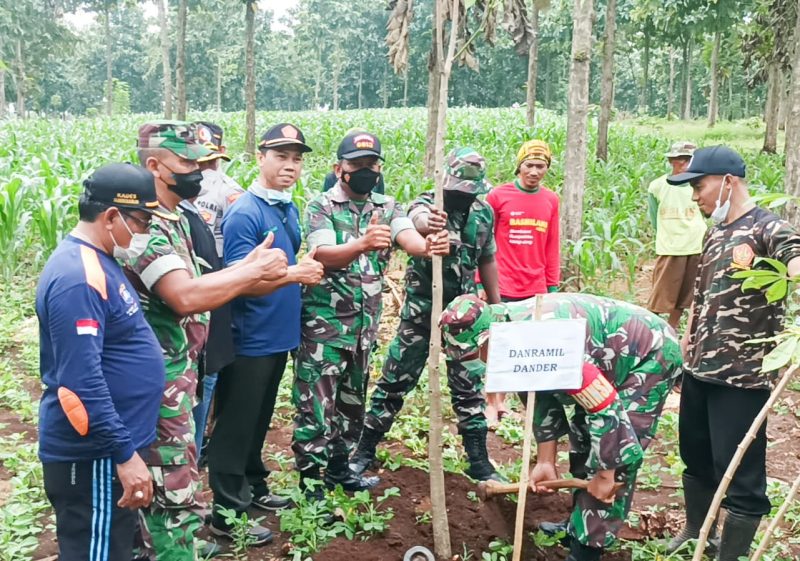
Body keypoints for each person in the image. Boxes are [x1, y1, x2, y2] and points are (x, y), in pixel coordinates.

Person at [127, 120, 299, 559]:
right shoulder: (144, 227)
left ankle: (181, 538)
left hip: (184, 367)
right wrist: (252, 271)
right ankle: (169, 546)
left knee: (180, 466)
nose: (198, 173)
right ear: (154, 165)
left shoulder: (178, 218)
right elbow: (184, 295)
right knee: (163, 469)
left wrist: (247, 270)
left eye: (202, 162)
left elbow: (205, 278)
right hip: (156, 375)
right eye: (187, 162)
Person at [440, 293, 682, 561]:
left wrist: (604, 475)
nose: (471, 363)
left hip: (646, 355)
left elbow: (606, 410)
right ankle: (579, 524)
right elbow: (539, 392)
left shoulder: (550, 340)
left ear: (488, 338)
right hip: (602, 360)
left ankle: (586, 550)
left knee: (614, 458)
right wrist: (546, 460)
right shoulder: (508, 339)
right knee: (585, 437)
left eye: (472, 355)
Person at [293, 130, 449, 498]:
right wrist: (361, 243)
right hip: (324, 331)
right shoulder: (322, 206)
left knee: (350, 408)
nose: (365, 170)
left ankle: (339, 471)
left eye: (371, 164)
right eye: (356, 164)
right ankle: (312, 486)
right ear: (340, 168)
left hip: (363, 332)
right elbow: (323, 254)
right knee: (316, 410)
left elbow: (407, 236)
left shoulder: (386, 206)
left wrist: (427, 247)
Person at [664, 145, 800, 561]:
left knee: (740, 471)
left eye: (698, 186)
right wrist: (687, 341)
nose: (695, 196)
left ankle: (730, 554)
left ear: (728, 182)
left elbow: (795, 259)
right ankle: (695, 530)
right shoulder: (717, 232)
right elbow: (703, 296)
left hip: (742, 377)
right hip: (700, 369)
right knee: (696, 456)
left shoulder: (768, 228)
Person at [36, 163, 168, 561]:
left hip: (109, 450)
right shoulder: (79, 277)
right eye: (143, 221)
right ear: (111, 216)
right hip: (94, 456)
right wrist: (124, 456)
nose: (146, 233)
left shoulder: (99, 258)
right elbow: (81, 382)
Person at [350, 147, 501, 482]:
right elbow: (415, 220)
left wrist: (496, 303)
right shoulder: (428, 204)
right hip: (422, 312)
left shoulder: (484, 213)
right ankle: (364, 450)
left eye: (471, 192)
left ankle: (479, 460)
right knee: (394, 380)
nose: (464, 198)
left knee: (469, 387)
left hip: (465, 318)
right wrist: (427, 224)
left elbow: (487, 258)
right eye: (458, 191)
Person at [207, 123, 324, 539]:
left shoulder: (286, 208)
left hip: (278, 335)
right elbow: (240, 278)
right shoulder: (246, 213)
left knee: (258, 418)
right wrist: (296, 274)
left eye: (296, 159)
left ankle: (253, 484)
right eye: (281, 157)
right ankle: (228, 512)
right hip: (250, 336)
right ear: (260, 158)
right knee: (236, 421)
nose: (290, 166)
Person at [484, 139, 561, 425]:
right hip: (502, 284)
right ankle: (493, 402)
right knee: (497, 343)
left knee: (526, 346)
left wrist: (552, 285)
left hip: (535, 285)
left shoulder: (551, 200)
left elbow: (552, 244)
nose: (534, 172)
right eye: (529, 165)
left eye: (541, 166)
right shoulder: (498, 196)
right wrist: (482, 283)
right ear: (519, 166)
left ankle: (517, 405)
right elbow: (485, 241)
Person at [188, 122, 243, 463]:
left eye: (211, 163)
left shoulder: (231, 193)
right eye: (198, 163)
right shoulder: (161, 199)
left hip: (215, 296)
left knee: (208, 378)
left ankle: (198, 450)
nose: (205, 172)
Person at [646, 141, 706, 328]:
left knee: (684, 296)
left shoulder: (698, 186)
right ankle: (650, 328)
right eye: (683, 160)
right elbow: (654, 216)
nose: (687, 165)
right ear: (673, 161)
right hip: (670, 247)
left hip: (695, 245)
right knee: (660, 296)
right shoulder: (658, 186)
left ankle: (672, 329)